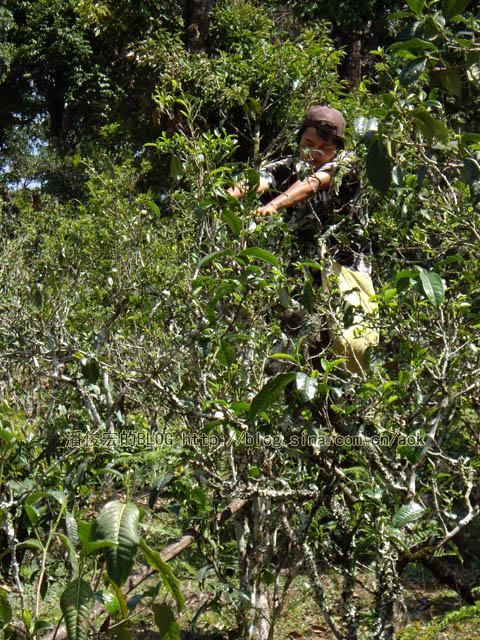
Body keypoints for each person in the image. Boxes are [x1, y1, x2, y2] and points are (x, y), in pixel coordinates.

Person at [227, 105, 378, 375]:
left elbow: (313, 183)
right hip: (301, 277)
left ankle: (360, 409)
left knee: (355, 347)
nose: (314, 153)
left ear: (336, 149)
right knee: (289, 346)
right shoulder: (288, 167)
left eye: (324, 148)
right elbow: (258, 180)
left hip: (346, 272)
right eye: (308, 144)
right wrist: (225, 195)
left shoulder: (347, 165)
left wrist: (274, 205)